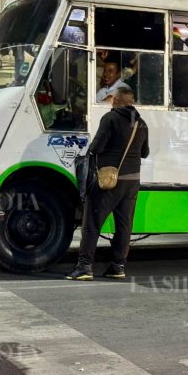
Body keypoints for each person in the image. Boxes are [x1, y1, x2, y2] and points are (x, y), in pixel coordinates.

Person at [67, 88, 150, 280]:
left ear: (116, 100)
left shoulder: (110, 119)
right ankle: (118, 267)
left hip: (109, 180)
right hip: (132, 182)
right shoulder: (141, 123)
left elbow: (96, 147)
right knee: (124, 225)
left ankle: (85, 267)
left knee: (92, 223)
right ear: (132, 102)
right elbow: (145, 152)